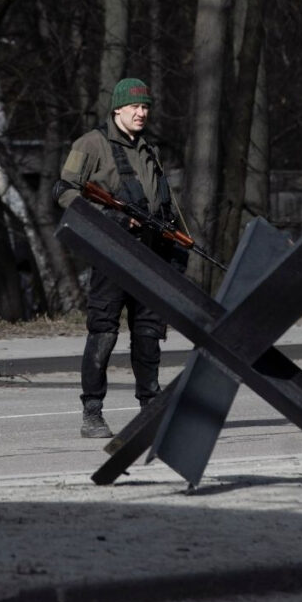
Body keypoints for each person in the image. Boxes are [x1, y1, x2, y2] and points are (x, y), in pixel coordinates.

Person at [52, 77, 186, 438]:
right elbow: (64, 191)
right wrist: (108, 217)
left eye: (145, 108)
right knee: (104, 332)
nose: (142, 113)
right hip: (111, 251)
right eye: (135, 107)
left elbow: (163, 202)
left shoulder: (147, 150)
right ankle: (92, 413)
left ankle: (150, 406)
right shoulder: (91, 144)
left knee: (147, 333)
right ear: (118, 109)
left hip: (149, 252)